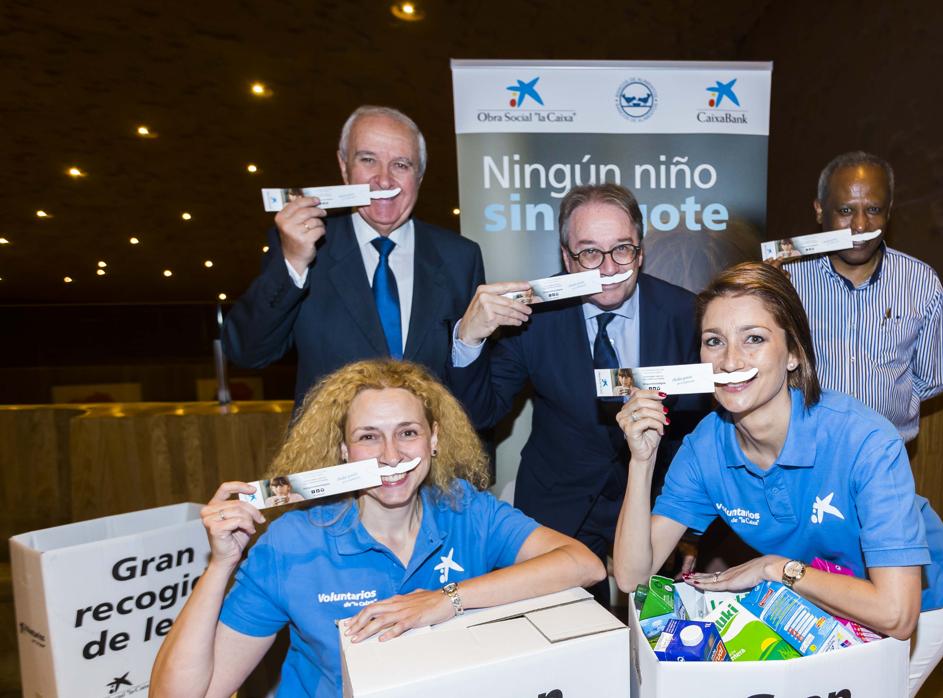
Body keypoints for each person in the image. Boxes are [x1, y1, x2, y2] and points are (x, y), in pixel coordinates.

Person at [613, 263, 943, 696]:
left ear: (793, 353)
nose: (730, 360)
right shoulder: (704, 447)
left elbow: (897, 614)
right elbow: (633, 578)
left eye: (754, 339)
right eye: (714, 341)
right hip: (813, 598)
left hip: (915, 604)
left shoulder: (865, 440)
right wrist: (641, 461)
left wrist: (774, 568)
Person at [150, 359, 604, 698]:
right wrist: (220, 564)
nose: (390, 454)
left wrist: (447, 600)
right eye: (369, 436)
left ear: (435, 439)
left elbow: (583, 565)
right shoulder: (294, 542)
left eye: (408, 432)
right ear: (344, 451)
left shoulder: (466, 509)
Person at [446, 183, 707, 603]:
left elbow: (697, 429)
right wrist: (469, 338)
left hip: (654, 506)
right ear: (567, 258)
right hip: (558, 504)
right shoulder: (532, 315)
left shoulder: (684, 313)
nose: (607, 268)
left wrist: (690, 525)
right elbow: (480, 413)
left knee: (660, 640)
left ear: (640, 252)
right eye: (589, 252)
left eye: (622, 249)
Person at [223, 105, 484, 406]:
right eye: (368, 160)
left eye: (401, 165)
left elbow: (473, 385)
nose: (384, 181)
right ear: (344, 167)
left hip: (431, 449)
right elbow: (247, 352)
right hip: (332, 449)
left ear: (420, 176)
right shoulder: (304, 248)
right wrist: (293, 263)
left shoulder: (460, 258)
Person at [782, 151, 943, 442]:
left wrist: (888, 407)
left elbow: (933, 378)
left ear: (889, 211)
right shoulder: (789, 280)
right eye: (846, 211)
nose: (860, 226)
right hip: (804, 453)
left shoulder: (921, 282)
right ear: (820, 210)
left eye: (873, 210)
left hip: (885, 456)